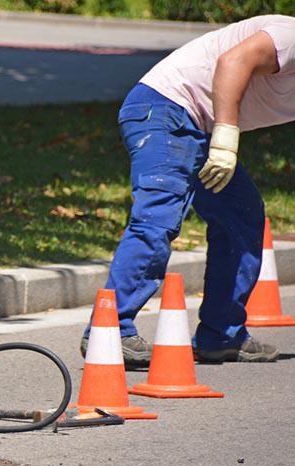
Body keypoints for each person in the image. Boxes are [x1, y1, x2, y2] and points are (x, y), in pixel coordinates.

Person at [83, 15, 295, 367]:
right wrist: (226, 140)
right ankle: (110, 330)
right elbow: (233, 61)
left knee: (241, 218)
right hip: (165, 109)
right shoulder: (290, 35)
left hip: (196, 125)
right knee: (158, 217)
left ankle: (221, 333)